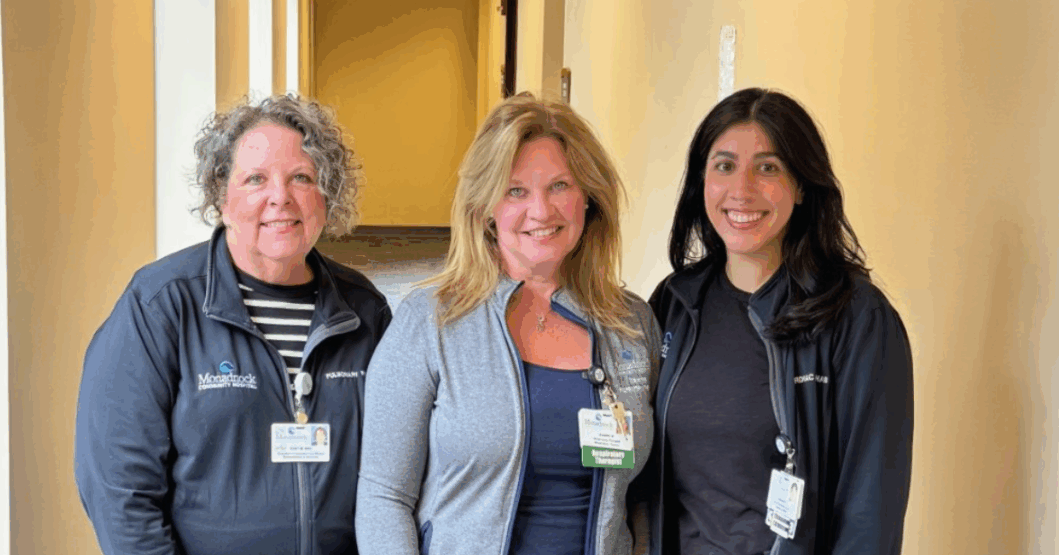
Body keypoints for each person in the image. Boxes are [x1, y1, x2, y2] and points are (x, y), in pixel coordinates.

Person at [74, 95, 392, 555]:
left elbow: (397, 471)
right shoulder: (162, 304)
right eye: (255, 179)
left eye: (302, 177)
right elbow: (118, 488)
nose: (279, 197)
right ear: (222, 197)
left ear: (327, 196)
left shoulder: (365, 311)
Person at [355, 94, 660, 555]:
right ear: (484, 209)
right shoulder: (430, 322)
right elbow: (383, 498)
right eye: (515, 190)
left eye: (559, 186)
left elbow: (642, 496)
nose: (541, 211)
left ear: (589, 199)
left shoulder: (633, 325)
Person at [644, 88, 913, 555]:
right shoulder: (673, 304)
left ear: (803, 185)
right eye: (724, 165)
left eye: (768, 168)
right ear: (701, 182)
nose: (742, 189)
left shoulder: (857, 318)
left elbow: (870, 515)